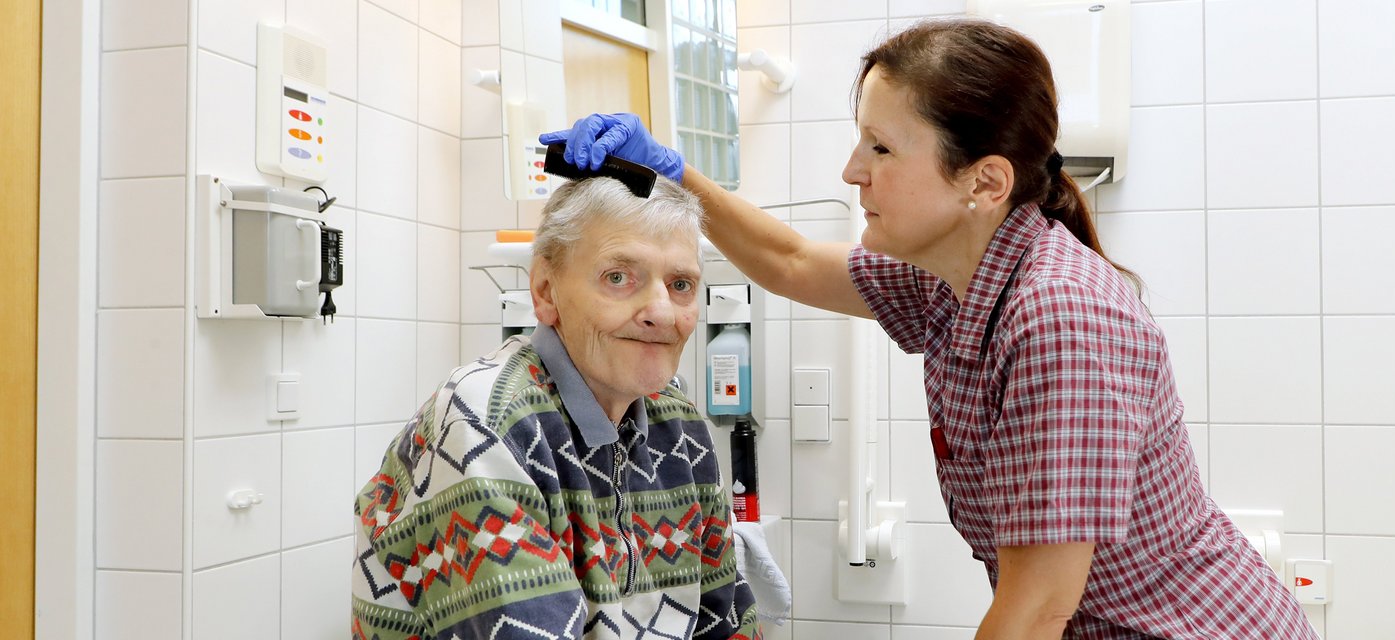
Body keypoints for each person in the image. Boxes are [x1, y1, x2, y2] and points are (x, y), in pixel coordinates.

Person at [541, 18, 1317, 640]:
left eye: (880, 147)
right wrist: (672, 171)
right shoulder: (956, 279)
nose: (852, 170)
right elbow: (784, 259)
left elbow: (1039, 607)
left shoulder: (1059, 316)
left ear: (984, 182)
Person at [351, 177, 761, 639]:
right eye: (619, 277)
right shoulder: (484, 426)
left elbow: (727, 622)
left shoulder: (679, 422)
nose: (662, 313)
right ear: (546, 292)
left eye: (680, 284)